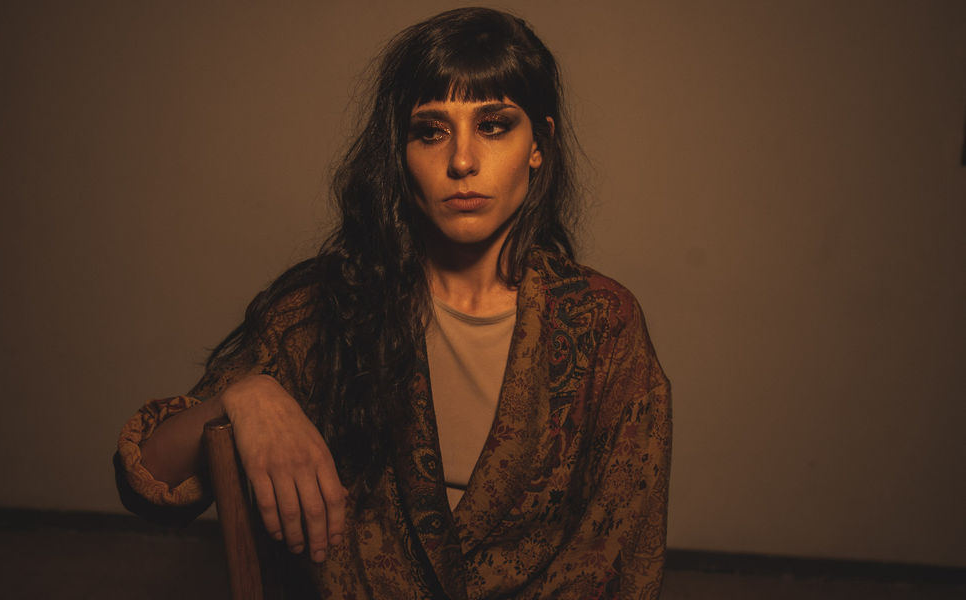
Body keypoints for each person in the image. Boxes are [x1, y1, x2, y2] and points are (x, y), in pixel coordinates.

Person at [115, 7, 671, 599]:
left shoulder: (601, 324)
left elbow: (623, 555)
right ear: (399, 153)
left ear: (539, 144)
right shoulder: (329, 307)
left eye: (493, 126)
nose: (462, 161)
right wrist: (244, 394)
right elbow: (146, 478)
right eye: (430, 131)